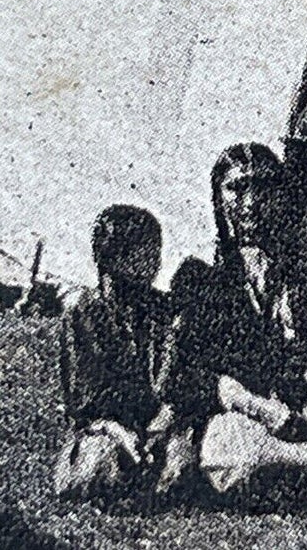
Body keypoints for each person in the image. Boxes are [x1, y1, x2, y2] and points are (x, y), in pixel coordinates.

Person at [173, 143, 307, 508]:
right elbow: (185, 375)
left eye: (263, 187)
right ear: (218, 196)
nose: (250, 202)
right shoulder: (199, 279)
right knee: (230, 449)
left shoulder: (301, 280)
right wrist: (253, 404)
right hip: (238, 418)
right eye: (238, 188)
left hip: (300, 416)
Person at [54, 205, 189, 503]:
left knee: (180, 468)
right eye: (145, 252)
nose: (154, 262)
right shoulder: (83, 314)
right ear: (115, 257)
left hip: (159, 426)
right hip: (106, 429)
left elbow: (176, 379)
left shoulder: (164, 312)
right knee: (96, 470)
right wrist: (119, 432)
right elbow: (84, 400)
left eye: (156, 251)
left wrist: (162, 423)